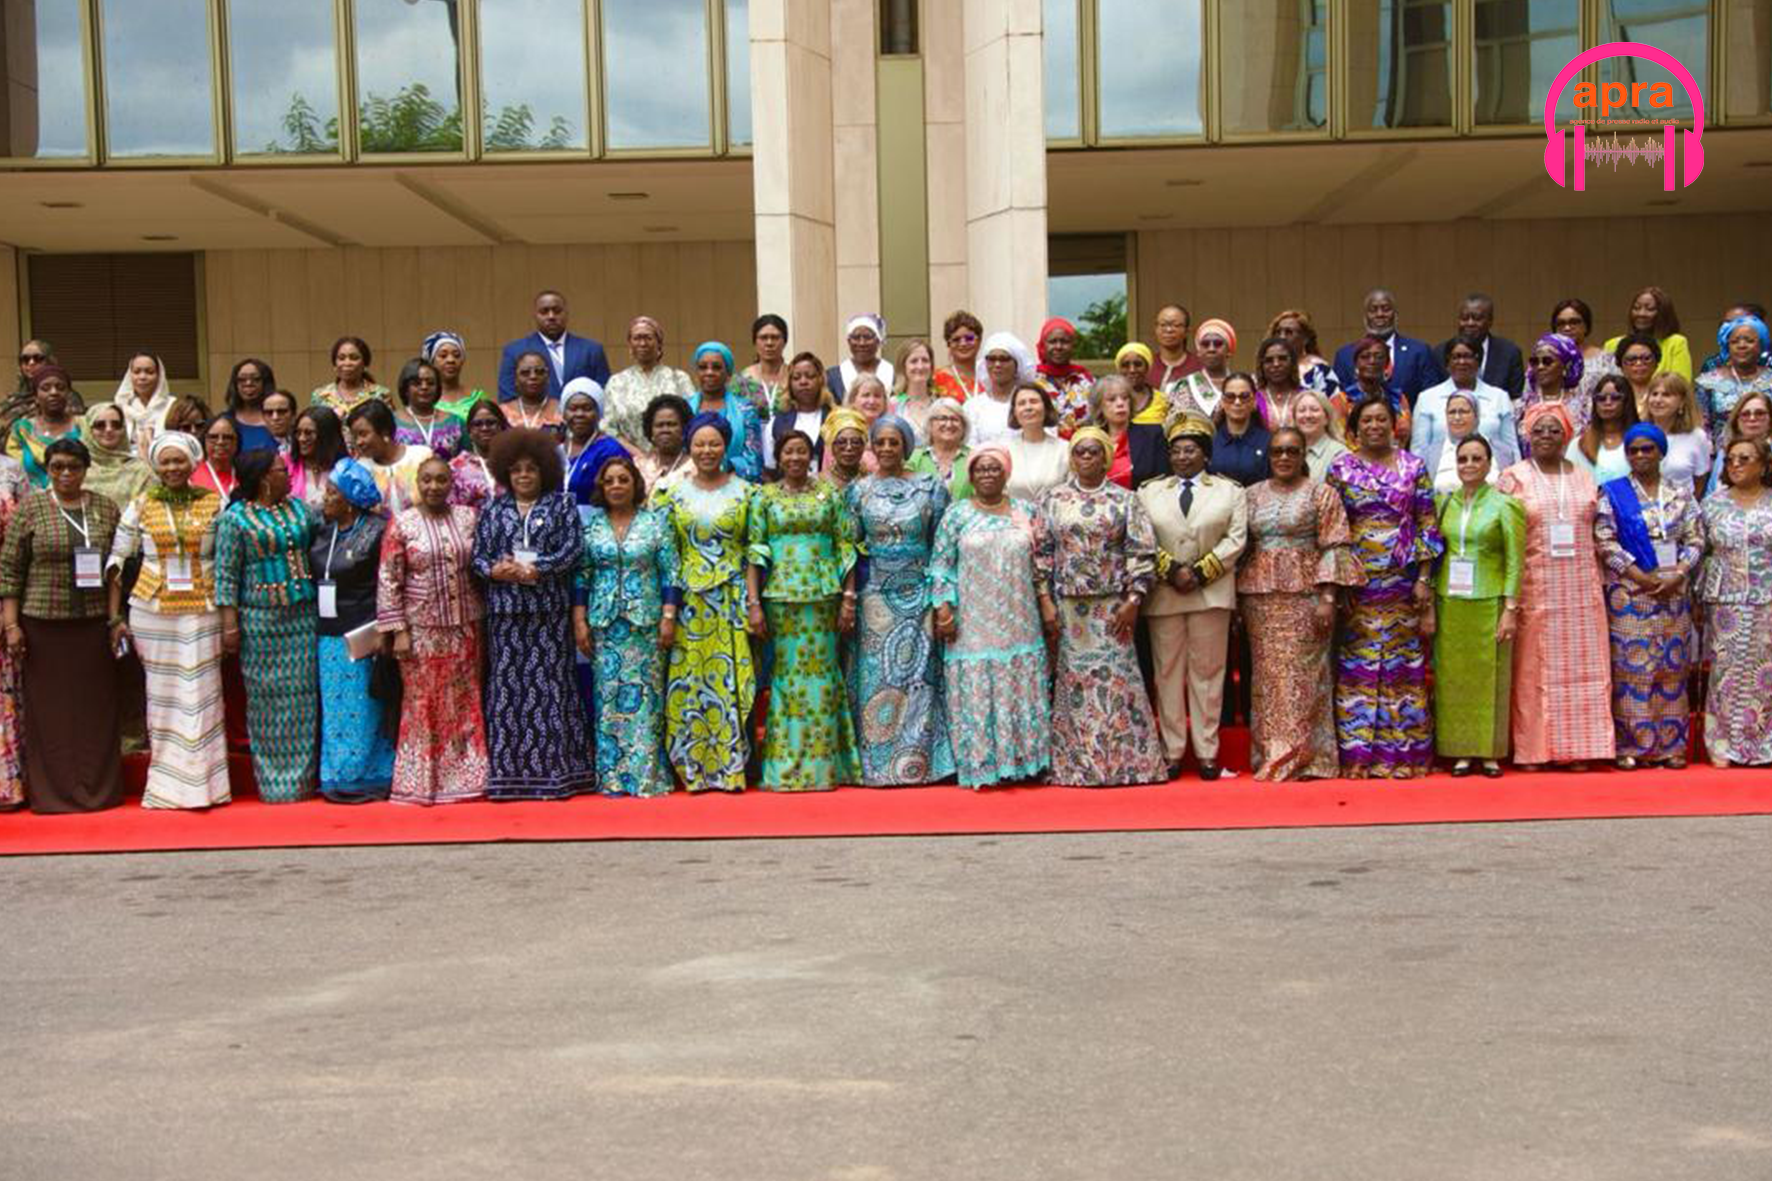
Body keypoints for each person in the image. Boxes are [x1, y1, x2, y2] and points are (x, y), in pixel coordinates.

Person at [1036, 427, 1167, 786]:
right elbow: (1042, 553)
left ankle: (1127, 765)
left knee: (1117, 684)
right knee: (1073, 684)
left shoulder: (1126, 500)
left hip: (1113, 605)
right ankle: (1076, 767)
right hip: (1068, 606)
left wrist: (1134, 600)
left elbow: (1141, 552)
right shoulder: (1053, 498)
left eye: (1095, 451)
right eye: (1080, 452)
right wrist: (1045, 601)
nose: (1087, 458)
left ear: (1106, 457)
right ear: (1072, 457)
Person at [0, 438, 124, 811]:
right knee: (49, 712)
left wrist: (115, 618)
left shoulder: (104, 507)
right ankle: (52, 795)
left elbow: (117, 569)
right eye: (57, 467)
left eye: (73, 467)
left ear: (86, 469)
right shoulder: (32, 508)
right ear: (48, 470)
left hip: (91, 625)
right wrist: (11, 625)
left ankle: (98, 791)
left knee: (95, 710)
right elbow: (9, 569)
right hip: (42, 626)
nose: (66, 474)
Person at [1325, 396, 1445, 779]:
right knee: (1358, 668)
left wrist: (1425, 580)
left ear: (1394, 425)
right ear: (1355, 427)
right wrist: (1339, 581)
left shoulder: (1413, 467)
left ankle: (1403, 754)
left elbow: (1427, 524)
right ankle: (1360, 755)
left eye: (1382, 419)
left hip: (1403, 582)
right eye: (1367, 420)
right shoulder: (1341, 468)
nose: (1374, 426)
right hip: (1358, 583)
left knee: (1402, 668)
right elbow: (1331, 529)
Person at [1236, 426, 1364, 780]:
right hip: (1260, 597)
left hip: (1308, 596)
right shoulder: (1250, 495)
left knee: (1306, 678)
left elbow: (1336, 544)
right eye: (1277, 451)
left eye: (1292, 451)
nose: (1284, 458)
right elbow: (1241, 545)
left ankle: (1309, 758)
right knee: (1268, 680)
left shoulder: (1321, 494)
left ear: (1303, 455)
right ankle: (1271, 753)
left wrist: (1327, 597)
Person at [470, 428, 591, 800]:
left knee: (550, 688)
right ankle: (510, 776)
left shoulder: (562, 505)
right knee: (508, 689)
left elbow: (574, 550)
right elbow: (477, 557)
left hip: (547, 614)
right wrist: (494, 570)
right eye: (517, 470)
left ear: (545, 472)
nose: (524, 476)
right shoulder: (492, 510)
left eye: (531, 470)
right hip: (505, 615)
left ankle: (556, 774)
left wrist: (539, 568)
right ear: (506, 472)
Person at [1496, 403, 1615, 770]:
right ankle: (1534, 750)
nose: (1546, 436)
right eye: (1539, 430)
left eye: (1554, 430)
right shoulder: (1512, 478)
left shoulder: (1585, 476)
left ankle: (1579, 749)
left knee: (1583, 669)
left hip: (1581, 591)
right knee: (1534, 671)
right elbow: (1503, 541)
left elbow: (1600, 530)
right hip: (1535, 589)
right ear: (1527, 436)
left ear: (1567, 436)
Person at [930, 446, 1056, 787]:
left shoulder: (1025, 511)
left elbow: (1039, 565)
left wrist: (1046, 603)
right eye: (980, 469)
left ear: (1006, 474)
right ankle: (983, 766)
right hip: (972, 619)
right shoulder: (956, 515)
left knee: (1020, 681)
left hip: (1019, 616)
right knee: (977, 684)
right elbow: (941, 567)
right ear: (970, 476)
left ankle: (1026, 764)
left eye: (994, 468)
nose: (987, 474)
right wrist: (943, 609)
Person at [749, 430, 861, 790]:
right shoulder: (763, 497)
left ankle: (826, 767)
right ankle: (785, 767)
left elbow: (846, 545)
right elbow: (755, 551)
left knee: (824, 677)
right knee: (787, 679)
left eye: (801, 451)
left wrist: (848, 597)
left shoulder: (829, 494)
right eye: (788, 451)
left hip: (823, 594)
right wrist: (754, 603)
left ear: (811, 456)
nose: (795, 458)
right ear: (779, 458)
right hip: (781, 597)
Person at [1137, 416, 1247, 779]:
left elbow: (1237, 539)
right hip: (1165, 594)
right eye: (1177, 450)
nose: (1183, 457)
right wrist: (1171, 570)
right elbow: (1142, 537)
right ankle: (1171, 752)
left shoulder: (1230, 491)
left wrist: (1200, 572)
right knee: (1167, 675)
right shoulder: (1149, 492)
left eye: (1191, 449)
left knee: (1208, 674)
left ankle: (1207, 752)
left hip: (1210, 593)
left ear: (1205, 454)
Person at [845, 415, 953, 785]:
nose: (888, 448)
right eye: (881, 442)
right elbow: (850, 546)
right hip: (875, 594)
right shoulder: (859, 491)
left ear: (906, 446)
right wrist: (849, 594)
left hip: (919, 593)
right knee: (876, 677)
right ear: (872, 446)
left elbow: (942, 546)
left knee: (919, 677)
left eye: (895, 442)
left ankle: (919, 763)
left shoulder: (930, 487)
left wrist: (941, 597)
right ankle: (877, 764)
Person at [654, 413, 759, 792]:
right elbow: (667, 556)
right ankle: (693, 767)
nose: (707, 450)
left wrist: (752, 601)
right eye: (699, 443)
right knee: (690, 684)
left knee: (731, 683)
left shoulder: (748, 492)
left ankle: (731, 767)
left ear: (726, 445)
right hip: (689, 604)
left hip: (731, 599)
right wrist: (668, 608)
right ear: (689, 445)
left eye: (714, 443)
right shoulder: (671, 493)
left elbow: (753, 549)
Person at [377, 453, 489, 805]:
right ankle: (420, 782)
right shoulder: (402, 523)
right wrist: (397, 630)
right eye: (427, 480)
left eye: (441, 480)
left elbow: (481, 566)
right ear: (417, 483)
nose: (434, 486)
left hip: (466, 627)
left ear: (452, 484)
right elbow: (389, 578)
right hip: (420, 630)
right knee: (422, 704)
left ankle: (468, 779)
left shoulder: (469, 518)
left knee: (464, 700)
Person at [212, 449, 320, 803]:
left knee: (303, 701)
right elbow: (226, 574)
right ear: (262, 477)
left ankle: (303, 783)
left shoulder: (301, 509)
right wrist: (229, 626)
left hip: (303, 619)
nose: (288, 475)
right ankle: (275, 785)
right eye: (280, 470)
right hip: (259, 624)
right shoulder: (235, 519)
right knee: (266, 703)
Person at [1594, 424, 1703, 771]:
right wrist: (1638, 575)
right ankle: (1633, 745)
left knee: (1671, 669)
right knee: (1632, 671)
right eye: (1634, 450)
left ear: (1661, 452)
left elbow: (1696, 539)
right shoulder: (1612, 493)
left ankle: (1671, 746)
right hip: (1631, 595)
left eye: (1647, 449)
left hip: (1673, 594)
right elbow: (1604, 540)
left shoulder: (1681, 493)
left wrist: (1680, 573)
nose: (1640, 456)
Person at [571, 453, 677, 798]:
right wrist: (579, 619)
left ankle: (647, 776)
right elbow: (582, 574)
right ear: (602, 487)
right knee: (609, 700)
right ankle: (613, 777)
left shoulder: (655, 522)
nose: (616, 486)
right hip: (605, 623)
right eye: (610, 481)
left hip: (645, 622)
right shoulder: (592, 525)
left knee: (647, 699)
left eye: (623, 480)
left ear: (635, 484)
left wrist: (668, 616)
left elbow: (670, 572)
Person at [1431, 435, 1525, 777]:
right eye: (1463, 459)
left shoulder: (1505, 504)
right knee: (1454, 677)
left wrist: (1511, 608)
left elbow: (1516, 561)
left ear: (1488, 464)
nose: (1469, 465)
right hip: (1451, 600)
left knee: (1491, 677)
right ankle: (1459, 750)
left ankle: (1488, 752)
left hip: (1490, 599)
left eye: (1476, 459)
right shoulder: (1444, 502)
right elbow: (1436, 553)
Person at [310, 459, 395, 803]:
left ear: (348, 498)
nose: (323, 498)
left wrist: (387, 630)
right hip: (327, 634)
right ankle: (337, 777)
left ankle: (371, 777)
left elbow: (388, 582)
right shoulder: (321, 529)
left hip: (364, 633)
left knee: (365, 707)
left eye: (331, 492)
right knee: (335, 710)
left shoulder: (377, 530)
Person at [1696, 437, 1772, 767]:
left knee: (1765, 673)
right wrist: (1697, 598)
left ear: (1763, 465)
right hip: (1725, 600)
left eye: (1745, 458)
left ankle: (1762, 746)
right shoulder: (1713, 504)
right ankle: (1722, 744)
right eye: (1731, 460)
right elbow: (1701, 553)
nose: (1736, 465)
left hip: (1768, 597)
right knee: (1725, 673)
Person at [1412, 336, 1518, 480]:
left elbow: (1512, 448)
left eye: (1468, 356)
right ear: (1447, 362)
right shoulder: (1427, 398)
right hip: (1442, 480)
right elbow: (1419, 449)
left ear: (1479, 360)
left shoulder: (1499, 397)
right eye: (1455, 357)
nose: (1461, 362)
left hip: (1491, 479)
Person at [497, 289, 611, 403]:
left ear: (566, 313)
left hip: (581, 417)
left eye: (557, 311)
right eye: (544, 311)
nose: (551, 316)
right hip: (534, 419)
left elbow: (603, 393)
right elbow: (508, 398)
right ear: (535, 316)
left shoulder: (591, 349)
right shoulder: (514, 351)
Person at [602, 315, 695, 452]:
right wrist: (638, 455)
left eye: (648, 338)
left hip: (674, 460)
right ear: (630, 344)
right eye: (637, 338)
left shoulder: (679, 379)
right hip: (630, 462)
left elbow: (691, 422)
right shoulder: (616, 382)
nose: (642, 344)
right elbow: (608, 429)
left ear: (659, 343)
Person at [1333, 289, 1439, 401]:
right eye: (1373, 310)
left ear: (1396, 315)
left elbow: (1430, 397)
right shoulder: (1345, 355)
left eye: (1386, 309)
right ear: (1365, 317)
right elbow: (1340, 399)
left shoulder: (1419, 351)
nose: (1380, 314)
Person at [689, 341, 764, 481]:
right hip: (691, 485)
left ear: (728, 373)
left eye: (716, 367)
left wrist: (724, 479)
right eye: (703, 367)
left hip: (735, 487)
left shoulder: (746, 409)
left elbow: (754, 461)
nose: (709, 372)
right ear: (696, 373)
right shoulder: (685, 408)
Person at [1696, 313, 1772, 449]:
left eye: (1749, 340)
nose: (1741, 345)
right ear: (1727, 347)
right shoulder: (1708, 382)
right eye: (1734, 341)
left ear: (1761, 345)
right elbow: (1701, 426)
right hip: (1724, 458)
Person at [347, 399, 433, 516]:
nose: (358, 442)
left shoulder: (421, 456)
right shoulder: (360, 469)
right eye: (354, 437)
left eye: (363, 434)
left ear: (384, 431)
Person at [6, 365, 82, 488]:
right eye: (45, 388)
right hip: (30, 501)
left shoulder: (83, 426)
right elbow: (10, 472)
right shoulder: (22, 430)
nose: (54, 392)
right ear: (35, 396)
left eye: (60, 387)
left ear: (68, 394)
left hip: (76, 499)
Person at [1436, 293, 1525, 398]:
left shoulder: (1509, 353)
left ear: (1490, 321)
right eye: (1464, 318)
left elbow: (1516, 397)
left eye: (1477, 318)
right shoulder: (1440, 352)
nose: (1470, 323)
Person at [1091, 375, 1167, 491]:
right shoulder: (1091, 439)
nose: (1120, 403)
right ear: (1099, 406)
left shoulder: (1153, 434)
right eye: (1112, 399)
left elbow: (1164, 480)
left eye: (1125, 398)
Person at [558, 379, 626, 508]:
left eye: (587, 408)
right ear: (564, 413)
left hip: (596, 524)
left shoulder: (611, 451)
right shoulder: (556, 452)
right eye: (572, 409)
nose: (579, 414)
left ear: (598, 413)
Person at [1642, 372, 1711, 496]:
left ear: (1682, 402)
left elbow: (1700, 480)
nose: (1658, 400)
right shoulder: (1637, 433)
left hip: (1682, 510)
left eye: (1666, 395)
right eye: (1654, 394)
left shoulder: (1697, 436)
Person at [1602, 286, 1691, 381]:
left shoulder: (1676, 343)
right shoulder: (1612, 345)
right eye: (1636, 308)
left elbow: (1681, 385)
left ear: (1663, 313)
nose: (1641, 314)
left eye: (1650, 309)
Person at [1517, 331, 1590, 446]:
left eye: (1547, 361)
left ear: (1565, 366)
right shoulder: (1522, 406)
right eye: (1535, 362)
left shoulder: (1584, 406)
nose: (1540, 367)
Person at [767, 352, 833, 474]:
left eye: (810, 376)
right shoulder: (776, 422)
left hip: (829, 489)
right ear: (790, 384)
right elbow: (770, 468)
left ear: (820, 380)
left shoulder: (834, 418)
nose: (803, 382)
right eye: (796, 378)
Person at [1004, 383, 1071, 502]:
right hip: (1014, 518)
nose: (1028, 407)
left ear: (1046, 408)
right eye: (1021, 403)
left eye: (1034, 401)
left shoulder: (1065, 449)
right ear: (1014, 412)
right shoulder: (1004, 450)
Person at [1569, 374, 1638, 484]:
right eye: (1601, 398)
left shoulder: (1642, 442)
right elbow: (1569, 485)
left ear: (1626, 402)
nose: (1607, 403)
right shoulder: (1578, 444)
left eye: (1615, 398)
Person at [82, 404, 154, 510]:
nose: (109, 429)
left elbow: (152, 510)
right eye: (100, 425)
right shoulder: (74, 467)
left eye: (116, 425)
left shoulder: (140, 470)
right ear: (88, 430)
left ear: (123, 429)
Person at [1339, 334, 1412, 439]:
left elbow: (1405, 436)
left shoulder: (1399, 398)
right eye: (1365, 357)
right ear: (1356, 364)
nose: (1372, 361)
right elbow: (1339, 438)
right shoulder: (1342, 400)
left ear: (1387, 364)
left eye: (1379, 357)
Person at [967, 333, 1035, 445]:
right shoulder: (973, 407)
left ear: (1017, 365)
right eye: (991, 359)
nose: (997, 364)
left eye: (1004, 359)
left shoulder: (1031, 404)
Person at [392, 357, 465, 460]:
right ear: (405, 388)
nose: (424, 387)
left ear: (438, 388)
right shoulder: (391, 422)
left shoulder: (455, 422)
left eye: (430, 383)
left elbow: (467, 462)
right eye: (417, 383)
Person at [1424, 392, 1497, 495]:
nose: (1457, 417)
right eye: (1452, 412)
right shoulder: (1430, 454)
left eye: (1464, 412)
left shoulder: (1500, 450)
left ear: (1476, 415)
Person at [1034, 317, 1095, 436]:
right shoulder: (1031, 381)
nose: (1058, 346)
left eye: (1064, 341)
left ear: (1073, 346)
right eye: (1052, 341)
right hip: (1044, 450)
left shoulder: (1086, 380)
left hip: (1082, 450)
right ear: (1043, 346)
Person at [1209, 374, 1272, 487]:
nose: (1237, 402)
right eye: (1230, 396)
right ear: (1222, 402)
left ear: (1254, 402)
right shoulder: (1209, 441)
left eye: (1244, 396)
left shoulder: (1268, 442)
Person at [1549, 298, 1619, 398]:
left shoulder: (1607, 359)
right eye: (1561, 323)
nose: (1567, 328)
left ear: (1586, 325)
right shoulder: (1544, 362)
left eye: (1574, 322)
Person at [907, 397, 973, 500]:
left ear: (963, 426)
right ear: (930, 424)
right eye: (943, 418)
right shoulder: (915, 457)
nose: (949, 424)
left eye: (955, 419)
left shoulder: (974, 458)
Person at [1167, 320, 1234, 421]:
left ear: (1229, 351)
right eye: (1205, 344)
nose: (1211, 349)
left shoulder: (1244, 385)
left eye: (1218, 344)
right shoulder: (1183, 386)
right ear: (1198, 352)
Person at [1267, 309, 1342, 398]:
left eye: (1289, 332)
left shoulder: (1320, 370)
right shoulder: (1267, 368)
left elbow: (1336, 407)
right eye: (1278, 332)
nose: (1282, 337)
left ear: (1305, 338)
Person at [449, 400, 507, 510]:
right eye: (477, 424)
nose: (484, 428)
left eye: (491, 423)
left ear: (501, 427)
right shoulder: (455, 468)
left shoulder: (514, 464)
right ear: (469, 432)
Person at [310, 336, 390, 415]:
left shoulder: (380, 394)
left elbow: (389, 426)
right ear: (334, 365)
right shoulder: (320, 396)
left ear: (365, 364)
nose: (347, 363)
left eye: (354, 358)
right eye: (341, 358)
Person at [288, 406, 346, 511]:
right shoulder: (286, 465)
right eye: (298, 433)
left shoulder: (346, 470)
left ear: (326, 435)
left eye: (308, 433)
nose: (302, 439)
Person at [113, 353, 173, 454]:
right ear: (129, 376)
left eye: (149, 372)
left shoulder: (172, 406)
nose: (142, 377)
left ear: (159, 376)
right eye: (136, 372)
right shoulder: (120, 408)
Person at [827, 314, 896, 402]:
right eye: (856, 337)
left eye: (868, 337)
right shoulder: (833, 377)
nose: (862, 343)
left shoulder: (894, 374)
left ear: (878, 341)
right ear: (849, 341)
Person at [635, 393, 693, 497]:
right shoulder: (638, 466)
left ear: (684, 428)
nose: (665, 430)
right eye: (659, 425)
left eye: (671, 424)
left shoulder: (694, 467)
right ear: (650, 431)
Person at [423, 330, 486, 419]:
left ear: (463, 360)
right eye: (443, 356)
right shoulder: (423, 400)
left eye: (456, 355)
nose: (451, 360)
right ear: (431, 361)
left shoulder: (477, 398)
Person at [221, 358, 278, 455]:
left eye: (255, 379)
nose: (248, 383)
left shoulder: (278, 418)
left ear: (266, 383)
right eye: (242, 380)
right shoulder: (225, 420)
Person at [1699, 302, 1770, 375]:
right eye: (1725, 323)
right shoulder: (1712, 364)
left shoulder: (1769, 361)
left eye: (1737, 322)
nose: (1727, 327)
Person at [506, 349, 565, 437]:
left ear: (548, 377)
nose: (533, 376)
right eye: (525, 372)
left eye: (539, 372)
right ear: (516, 379)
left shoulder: (562, 410)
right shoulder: (503, 413)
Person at [738, 313, 790, 409]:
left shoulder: (794, 377)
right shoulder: (742, 380)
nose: (769, 343)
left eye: (775, 338)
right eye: (763, 338)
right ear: (755, 342)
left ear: (785, 341)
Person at [892, 339, 941, 441]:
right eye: (914, 361)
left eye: (925, 360)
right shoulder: (892, 405)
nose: (920, 366)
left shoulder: (940, 405)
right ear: (903, 366)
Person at [1295, 387, 1348, 480]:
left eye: (1314, 410)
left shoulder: (1340, 455)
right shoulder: (1287, 451)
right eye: (1302, 410)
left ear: (1327, 418)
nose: (1307, 415)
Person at [1253, 336, 1306, 429]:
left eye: (1282, 358)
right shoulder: (1252, 398)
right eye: (1269, 360)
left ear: (1292, 363)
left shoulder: (1306, 396)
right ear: (1261, 366)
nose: (1276, 364)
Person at [932, 310, 983, 401]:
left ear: (979, 341)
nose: (963, 343)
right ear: (948, 344)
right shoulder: (936, 379)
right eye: (956, 339)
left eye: (969, 338)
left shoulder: (989, 376)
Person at [1115, 342, 1168, 427]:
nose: (1132, 370)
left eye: (1138, 364)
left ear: (1147, 368)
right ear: (1119, 369)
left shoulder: (1162, 401)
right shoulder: (1108, 400)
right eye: (1125, 365)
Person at [1151, 304, 1203, 389]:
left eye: (1175, 325)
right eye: (1163, 325)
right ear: (1156, 329)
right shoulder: (1146, 366)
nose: (1168, 330)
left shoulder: (1199, 367)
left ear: (1187, 331)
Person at [820, 406, 870, 493]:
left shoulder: (873, 482)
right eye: (841, 442)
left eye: (855, 442)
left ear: (863, 446)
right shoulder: (818, 482)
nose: (849, 447)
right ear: (832, 446)